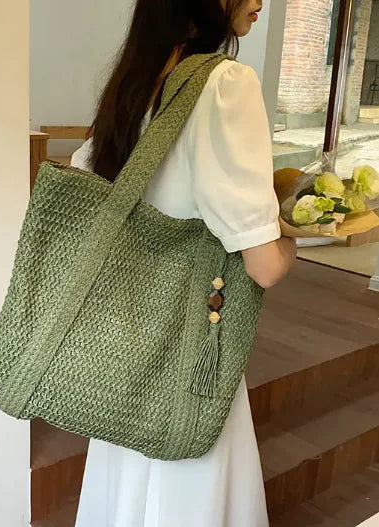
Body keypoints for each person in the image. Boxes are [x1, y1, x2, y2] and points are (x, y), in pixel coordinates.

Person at [72, 0, 297, 525]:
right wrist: (293, 238)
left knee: (125, 488)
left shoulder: (131, 86)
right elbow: (263, 266)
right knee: (189, 484)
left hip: (122, 345)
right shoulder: (224, 84)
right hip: (193, 350)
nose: (260, 2)